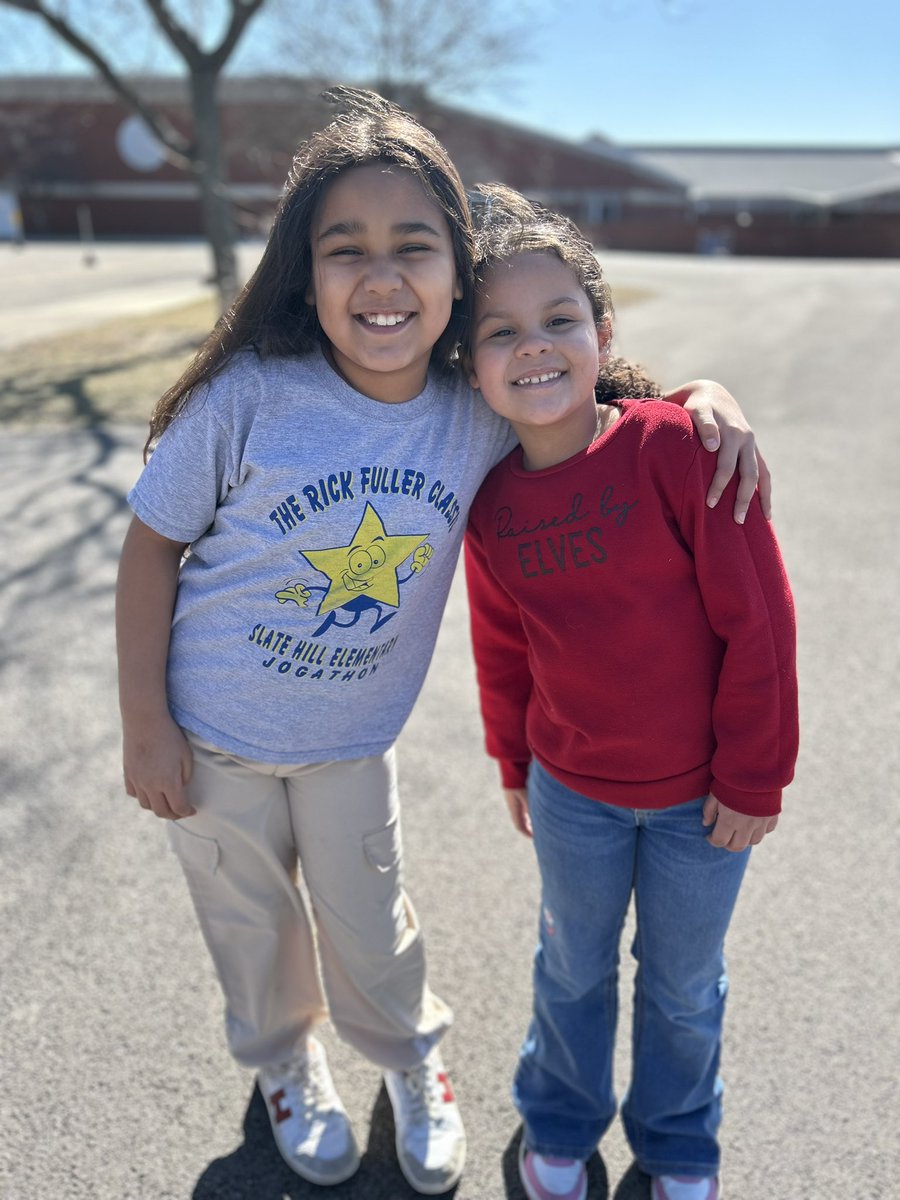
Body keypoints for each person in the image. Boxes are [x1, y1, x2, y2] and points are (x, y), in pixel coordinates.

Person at [116, 89, 768, 1195]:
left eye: (413, 246)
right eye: (346, 249)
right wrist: (145, 725)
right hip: (212, 736)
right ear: (303, 271)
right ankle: (285, 1062)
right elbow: (151, 547)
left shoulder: (475, 407)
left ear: (459, 275)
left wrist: (709, 395)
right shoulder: (247, 398)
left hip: (351, 743)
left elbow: (588, 398)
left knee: (373, 926)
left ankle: (410, 1058)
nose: (380, 277)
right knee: (250, 923)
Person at [462, 185, 798, 1200]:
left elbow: (760, 625)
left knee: (684, 986)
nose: (534, 345)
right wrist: (513, 759)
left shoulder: (676, 450)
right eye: (501, 331)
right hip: (574, 796)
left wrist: (755, 778)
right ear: (470, 365)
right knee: (571, 969)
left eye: (559, 319)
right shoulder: (491, 500)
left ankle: (680, 1146)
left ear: (601, 335)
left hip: (705, 804)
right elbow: (502, 645)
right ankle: (560, 1126)